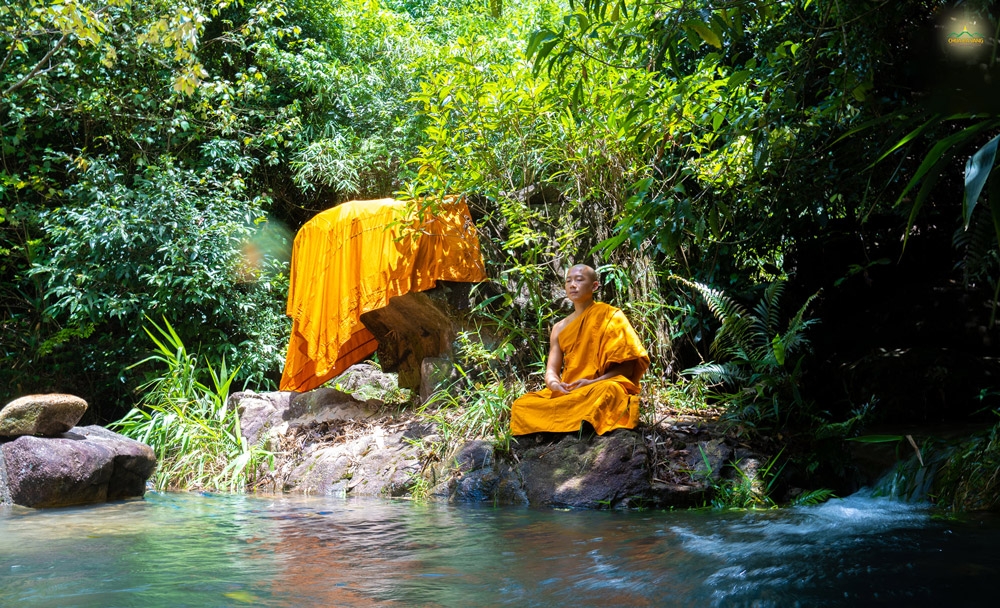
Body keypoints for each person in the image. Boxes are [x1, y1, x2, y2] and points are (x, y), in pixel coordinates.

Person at [510, 264, 650, 436]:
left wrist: (591, 383)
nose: (572, 285)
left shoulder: (610, 315)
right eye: (568, 281)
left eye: (579, 279)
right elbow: (551, 371)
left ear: (594, 286)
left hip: (597, 387)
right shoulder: (559, 328)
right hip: (570, 391)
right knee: (522, 404)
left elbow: (627, 369)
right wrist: (555, 385)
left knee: (610, 391)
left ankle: (565, 424)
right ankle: (576, 421)